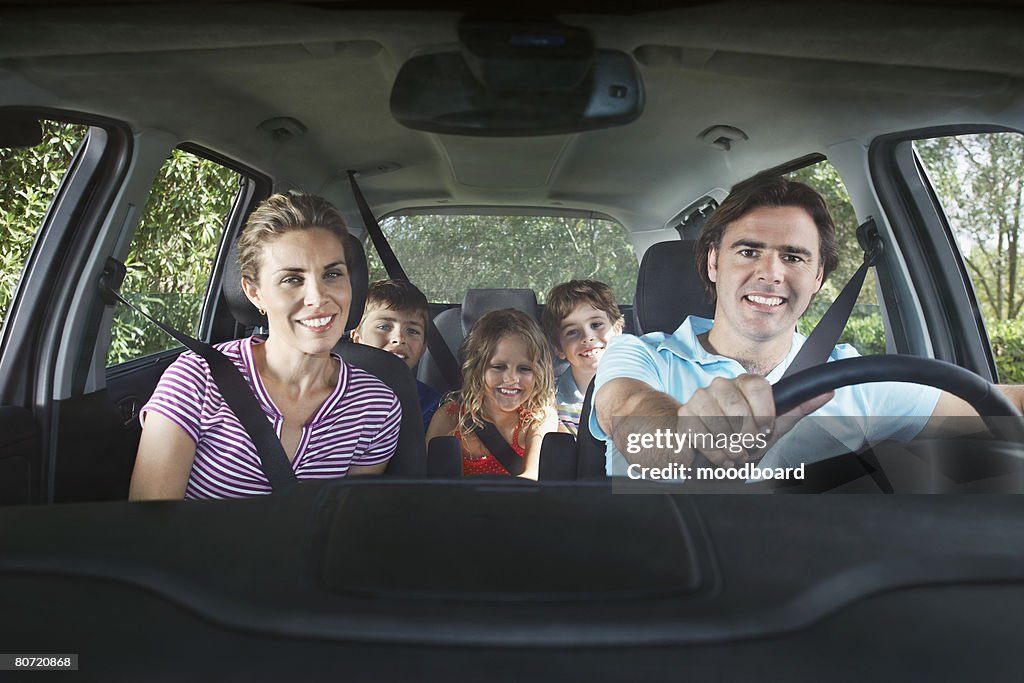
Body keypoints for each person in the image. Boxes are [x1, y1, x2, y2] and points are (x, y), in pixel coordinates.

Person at [591, 173, 1024, 476]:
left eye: (794, 257)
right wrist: (690, 431)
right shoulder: (642, 353)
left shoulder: (855, 379)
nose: (771, 273)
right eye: (748, 251)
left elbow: (994, 407)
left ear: (817, 278)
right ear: (713, 263)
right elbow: (628, 412)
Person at [129, 192, 402, 500]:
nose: (318, 297)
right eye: (291, 280)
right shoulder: (195, 379)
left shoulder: (377, 406)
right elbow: (149, 530)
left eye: (332, 274)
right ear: (255, 292)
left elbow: (345, 522)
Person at [425, 308, 561, 479]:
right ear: (476, 369)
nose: (511, 379)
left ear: (539, 373)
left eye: (524, 368)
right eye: (498, 367)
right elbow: (430, 484)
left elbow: (531, 478)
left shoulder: (539, 416)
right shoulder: (450, 417)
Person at [352, 279, 442, 431]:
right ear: (357, 339)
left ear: (423, 348)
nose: (399, 339)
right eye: (384, 327)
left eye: (412, 331)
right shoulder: (332, 393)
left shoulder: (432, 406)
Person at [541, 279, 624, 435]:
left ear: (617, 328)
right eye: (572, 332)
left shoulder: (645, 386)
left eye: (596, 324)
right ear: (558, 348)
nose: (587, 337)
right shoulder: (549, 403)